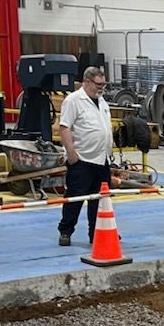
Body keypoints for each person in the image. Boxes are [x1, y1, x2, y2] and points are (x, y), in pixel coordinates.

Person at [57, 66, 113, 247]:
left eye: (103, 84)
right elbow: (64, 127)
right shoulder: (73, 100)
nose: (101, 88)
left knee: (100, 201)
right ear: (86, 82)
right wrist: (71, 153)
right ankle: (66, 231)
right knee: (75, 198)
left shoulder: (102, 101)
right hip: (82, 160)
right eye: (98, 84)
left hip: (101, 160)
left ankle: (96, 232)